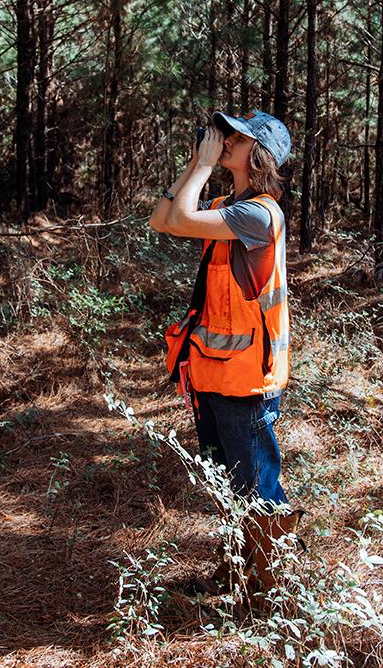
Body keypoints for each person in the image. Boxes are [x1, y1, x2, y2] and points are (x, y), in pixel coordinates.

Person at [148, 110, 300, 599]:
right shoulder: (228, 204)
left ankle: (276, 595)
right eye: (226, 134)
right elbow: (162, 220)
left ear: (258, 154)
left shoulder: (258, 213)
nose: (226, 140)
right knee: (228, 486)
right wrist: (197, 164)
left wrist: (199, 166)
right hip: (217, 372)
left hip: (246, 379)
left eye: (237, 137)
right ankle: (237, 574)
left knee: (258, 491)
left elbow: (184, 217)